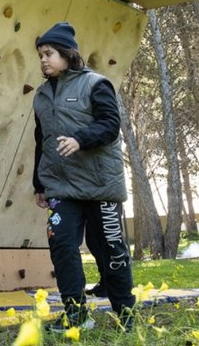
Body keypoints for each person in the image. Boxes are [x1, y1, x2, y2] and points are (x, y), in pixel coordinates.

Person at [31, 22, 135, 331]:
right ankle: (76, 316)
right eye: (40, 55)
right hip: (62, 187)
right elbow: (42, 141)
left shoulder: (95, 84)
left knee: (109, 250)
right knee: (62, 246)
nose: (43, 60)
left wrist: (80, 138)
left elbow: (110, 124)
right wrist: (40, 184)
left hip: (100, 185)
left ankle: (126, 315)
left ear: (67, 53)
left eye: (49, 53)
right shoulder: (41, 95)